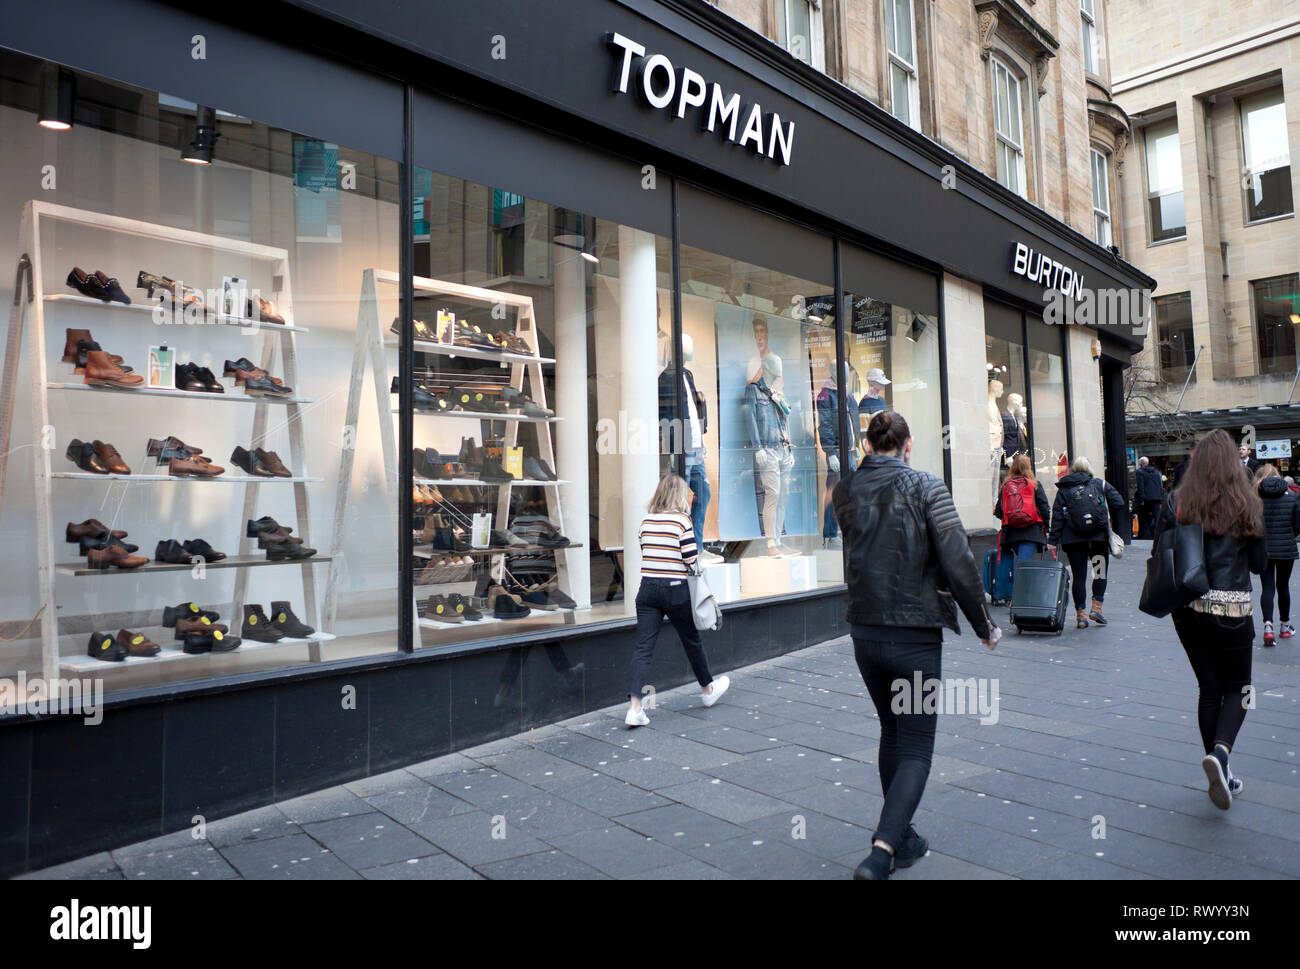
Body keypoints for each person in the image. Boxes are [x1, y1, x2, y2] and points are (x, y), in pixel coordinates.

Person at [832, 411, 999, 881]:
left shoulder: (846, 490)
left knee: (892, 730)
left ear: (868, 445)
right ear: (907, 445)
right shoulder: (927, 487)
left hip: (865, 633)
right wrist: (983, 623)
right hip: (914, 637)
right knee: (917, 746)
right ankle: (882, 851)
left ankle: (902, 837)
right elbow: (959, 560)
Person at [1155, 428, 1265, 810]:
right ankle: (1220, 755)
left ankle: (1219, 768)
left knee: (1208, 688)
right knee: (1242, 690)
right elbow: (1259, 564)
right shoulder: (1246, 504)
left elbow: (1161, 552)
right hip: (1233, 610)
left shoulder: (1177, 501)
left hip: (1188, 610)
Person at [625, 473, 729, 727]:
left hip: (647, 590)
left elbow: (646, 553)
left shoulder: (646, 521)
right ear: (679, 495)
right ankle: (707, 690)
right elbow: (690, 560)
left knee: (643, 649)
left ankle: (635, 708)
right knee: (691, 641)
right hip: (675, 589)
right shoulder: (682, 522)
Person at [1048, 456, 1126, 628]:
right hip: (1097, 539)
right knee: (1099, 572)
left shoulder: (1065, 488)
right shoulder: (1099, 484)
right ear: (1089, 469)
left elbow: (1058, 516)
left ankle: (1081, 615)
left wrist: (1053, 540)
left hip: (1074, 540)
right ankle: (1096, 608)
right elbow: (1119, 502)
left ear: (1073, 470)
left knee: (1079, 576)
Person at [1253, 464, 1300, 646]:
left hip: (1264, 549)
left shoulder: (1256, 497)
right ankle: (1285, 625)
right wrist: (1290, 535)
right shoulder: (1293, 496)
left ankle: (1267, 627)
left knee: (1267, 587)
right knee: (1283, 586)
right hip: (1286, 548)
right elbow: (1297, 524)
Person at [993, 454, 1050, 562]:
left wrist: (1013, 516)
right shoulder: (1035, 484)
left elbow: (998, 512)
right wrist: (1046, 527)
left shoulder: (1006, 486)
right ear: (1028, 467)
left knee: (1017, 567)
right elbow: (1044, 509)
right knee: (1023, 568)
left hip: (1010, 534)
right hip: (1031, 532)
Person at [1134, 456, 1164, 539]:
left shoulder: (1140, 472)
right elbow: (1160, 486)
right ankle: (1157, 535)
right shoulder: (1157, 472)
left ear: (1140, 463)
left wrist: (1141, 499)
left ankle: (1143, 535)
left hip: (1146, 498)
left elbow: (1141, 486)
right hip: (1157, 498)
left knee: (1143, 517)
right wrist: (1161, 499)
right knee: (1157, 517)